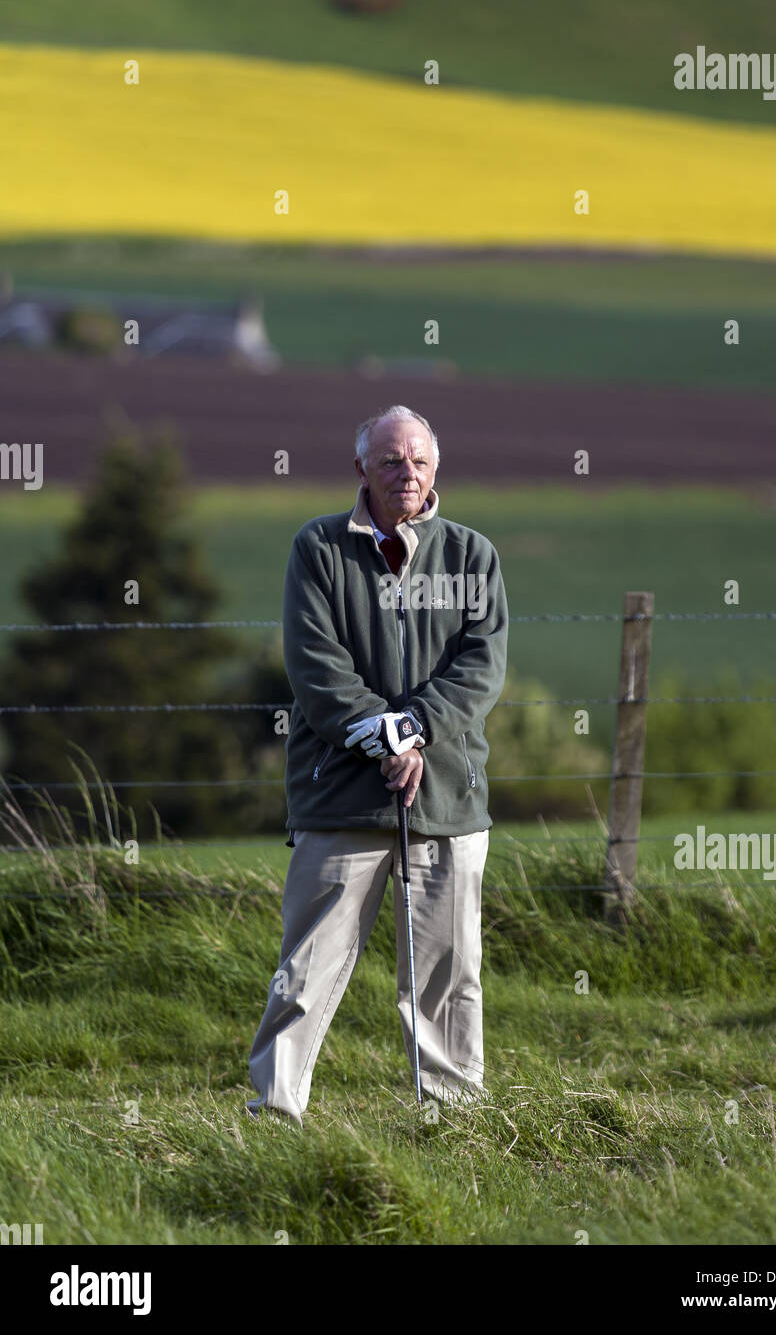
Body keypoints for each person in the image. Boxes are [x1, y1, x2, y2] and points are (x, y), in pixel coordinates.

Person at [246, 404, 508, 1124]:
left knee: (449, 977)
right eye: (391, 461)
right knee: (306, 970)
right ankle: (275, 1112)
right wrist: (385, 737)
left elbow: (482, 667)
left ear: (436, 470)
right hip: (340, 797)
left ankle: (451, 1121)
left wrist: (417, 729)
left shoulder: (472, 556)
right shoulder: (320, 550)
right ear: (361, 467)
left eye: (419, 461)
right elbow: (315, 665)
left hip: (448, 798)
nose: (407, 474)